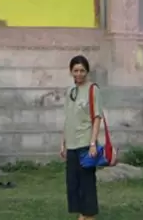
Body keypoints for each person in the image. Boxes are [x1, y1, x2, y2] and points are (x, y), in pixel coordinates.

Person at [59, 54, 102, 219]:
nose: (79, 74)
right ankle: (81, 214)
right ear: (71, 72)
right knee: (73, 183)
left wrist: (93, 143)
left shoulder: (93, 89)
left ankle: (89, 215)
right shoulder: (70, 91)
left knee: (87, 183)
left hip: (85, 143)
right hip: (71, 144)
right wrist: (63, 142)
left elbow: (97, 117)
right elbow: (68, 118)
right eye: (75, 70)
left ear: (87, 71)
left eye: (82, 70)